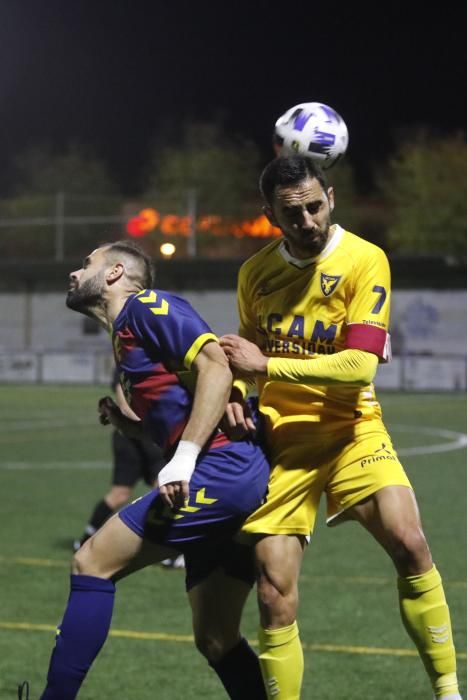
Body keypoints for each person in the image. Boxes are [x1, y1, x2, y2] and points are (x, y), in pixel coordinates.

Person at [220, 155, 462, 700]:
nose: (307, 221)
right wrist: (237, 392)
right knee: (273, 593)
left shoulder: (364, 260)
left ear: (330, 197)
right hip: (283, 441)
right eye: (292, 214)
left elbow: (360, 367)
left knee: (410, 544)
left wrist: (267, 367)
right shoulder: (254, 274)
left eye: (314, 206)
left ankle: (448, 691)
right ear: (269, 217)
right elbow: (243, 353)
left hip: (355, 427)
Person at [25, 241, 270, 700]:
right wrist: (129, 425)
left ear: (115, 273)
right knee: (216, 638)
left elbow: (215, 366)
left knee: (91, 561)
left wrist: (185, 458)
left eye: (86, 263)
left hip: (222, 469)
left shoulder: (145, 307)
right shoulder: (124, 340)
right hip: (226, 474)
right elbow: (177, 418)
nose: (75, 274)